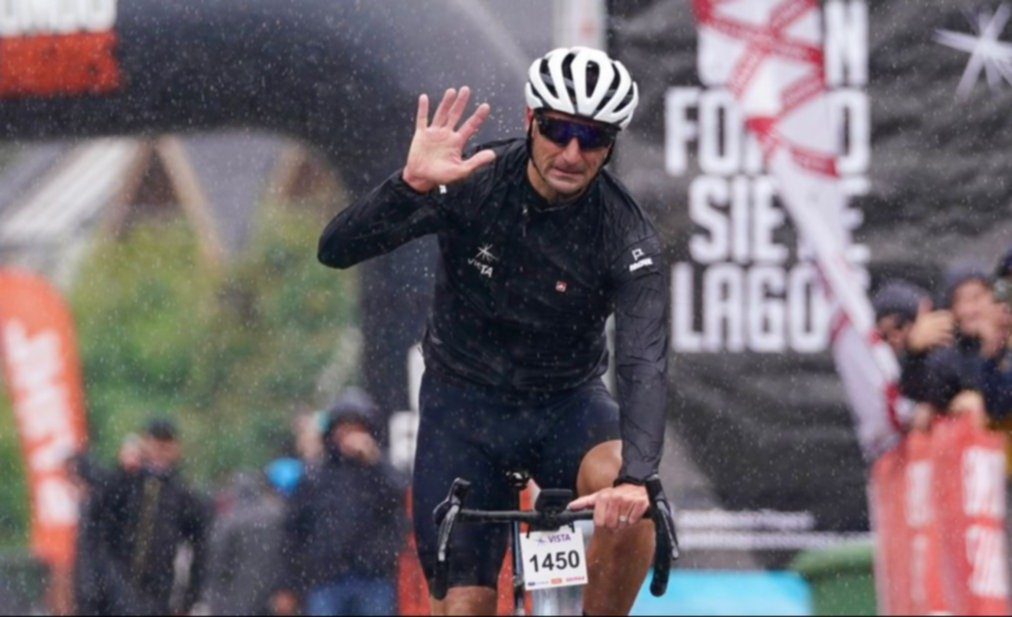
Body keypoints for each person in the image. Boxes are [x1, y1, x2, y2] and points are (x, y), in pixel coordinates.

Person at [318, 46, 667, 615]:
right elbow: (335, 250)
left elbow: (644, 360)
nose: (572, 153)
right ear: (531, 119)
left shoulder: (627, 235)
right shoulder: (474, 180)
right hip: (465, 406)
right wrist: (408, 187)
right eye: (557, 129)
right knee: (467, 607)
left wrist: (637, 478)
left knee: (637, 502)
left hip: (566, 406)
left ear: (611, 146)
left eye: (594, 138)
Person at [275, 388, 405, 616]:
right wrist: (290, 583)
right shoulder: (315, 476)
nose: (350, 434)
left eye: (357, 426)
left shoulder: (379, 472)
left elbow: (400, 500)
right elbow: (293, 531)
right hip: (327, 580)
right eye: (345, 426)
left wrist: (375, 462)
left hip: (374, 579)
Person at [89, 419, 211, 615]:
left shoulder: (184, 494)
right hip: (116, 589)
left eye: (166, 446)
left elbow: (199, 548)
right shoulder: (125, 483)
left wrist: (189, 598)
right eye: (156, 445)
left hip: (159, 594)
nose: (160, 452)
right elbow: (98, 520)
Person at [204, 471, 286, 616]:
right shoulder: (277, 516)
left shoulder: (229, 521)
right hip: (269, 592)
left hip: (236, 593)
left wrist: (215, 597)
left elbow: (218, 561)